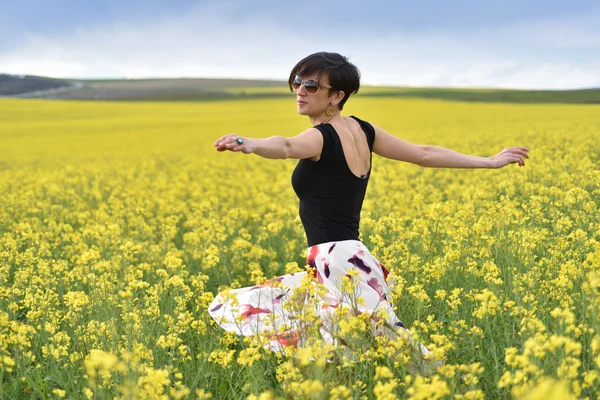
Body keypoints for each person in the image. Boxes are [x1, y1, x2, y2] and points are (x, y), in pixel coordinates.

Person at [208, 51, 529, 371]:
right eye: (297, 82)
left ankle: (453, 386)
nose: (300, 91)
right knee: (345, 345)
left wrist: (247, 142)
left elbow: (288, 146)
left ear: (337, 96)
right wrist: (487, 161)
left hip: (337, 261)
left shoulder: (320, 137)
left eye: (311, 85)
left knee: (399, 352)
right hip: (347, 259)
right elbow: (425, 154)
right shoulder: (363, 131)